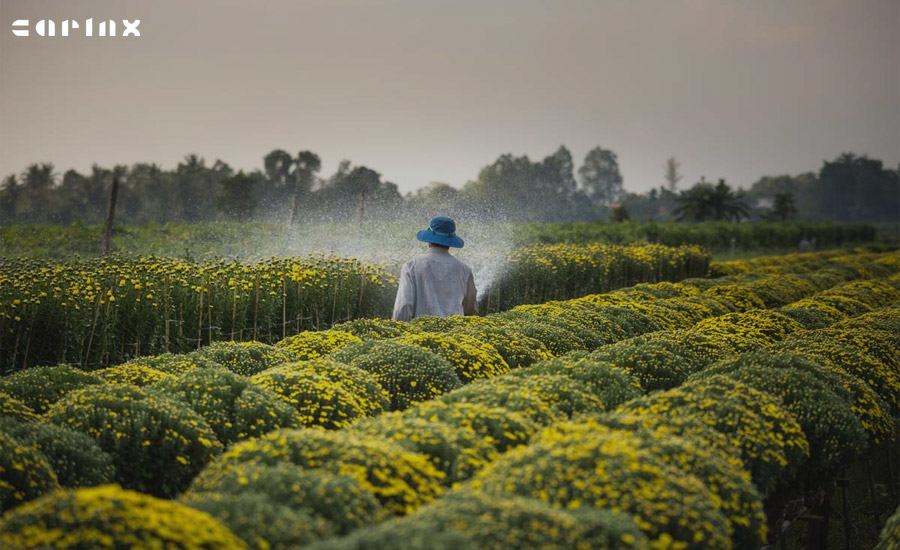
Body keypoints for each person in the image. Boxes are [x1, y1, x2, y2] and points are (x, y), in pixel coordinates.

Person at [392, 216, 477, 322]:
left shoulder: (411, 266)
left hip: (419, 329)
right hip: (455, 329)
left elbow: (404, 305)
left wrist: (398, 328)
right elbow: (470, 306)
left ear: (429, 240)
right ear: (450, 242)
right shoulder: (464, 269)